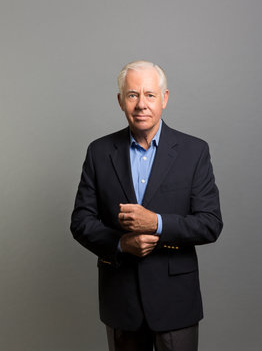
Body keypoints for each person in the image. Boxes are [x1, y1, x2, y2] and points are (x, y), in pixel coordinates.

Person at [70, 60, 223, 351]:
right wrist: (121, 244)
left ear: (164, 99)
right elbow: (80, 222)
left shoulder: (194, 151)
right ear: (120, 101)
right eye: (132, 95)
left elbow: (210, 223)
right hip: (121, 301)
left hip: (176, 302)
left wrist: (157, 223)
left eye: (150, 95)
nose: (141, 104)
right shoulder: (99, 152)